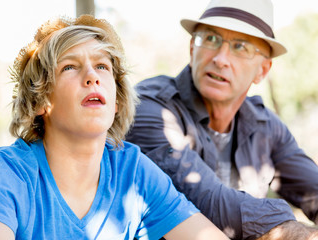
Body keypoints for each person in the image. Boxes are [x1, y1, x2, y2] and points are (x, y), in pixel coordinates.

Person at [0, 15, 229, 240]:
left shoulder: (133, 171)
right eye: (69, 67)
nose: (92, 77)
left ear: (117, 102)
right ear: (40, 99)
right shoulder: (1, 174)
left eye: (102, 66)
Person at [125, 0, 318, 239]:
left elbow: (314, 190)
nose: (220, 58)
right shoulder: (150, 108)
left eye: (240, 47)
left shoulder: (265, 126)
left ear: (263, 70)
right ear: (192, 49)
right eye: (210, 39)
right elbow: (209, 201)